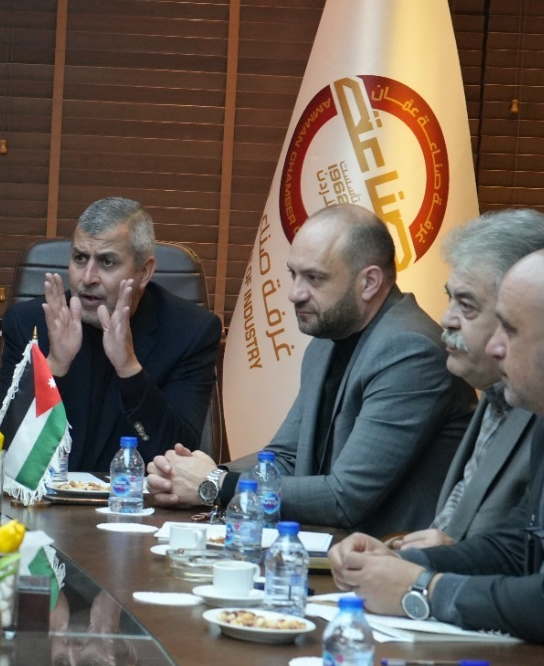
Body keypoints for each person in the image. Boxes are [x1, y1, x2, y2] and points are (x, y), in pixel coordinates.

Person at [331, 246, 544, 666]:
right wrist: (401, 563)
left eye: (510, 331)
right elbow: (516, 547)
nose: (495, 348)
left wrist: (421, 589)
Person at [147, 204, 475, 535]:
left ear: (369, 282)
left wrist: (215, 484)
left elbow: (346, 497)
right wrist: (189, 476)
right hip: (325, 545)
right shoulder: (328, 340)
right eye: (294, 274)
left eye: (314, 278)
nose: (295, 294)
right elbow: (285, 457)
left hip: (390, 554)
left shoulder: (409, 351)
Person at [386, 210, 544, 550]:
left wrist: (446, 558)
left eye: (467, 305)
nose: (446, 319)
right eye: (450, 298)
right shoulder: (493, 390)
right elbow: (453, 526)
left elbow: (538, 558)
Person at [0, 197, 221, 471]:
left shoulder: (190, 333)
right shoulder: (29, 324)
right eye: (80, 258)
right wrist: (54, 367)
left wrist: (129, 369)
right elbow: (8, 453)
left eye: (107, 262)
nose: (88, 277)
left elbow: (180, 459)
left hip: (136, 496)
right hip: (50, 494)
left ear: (144, 272)